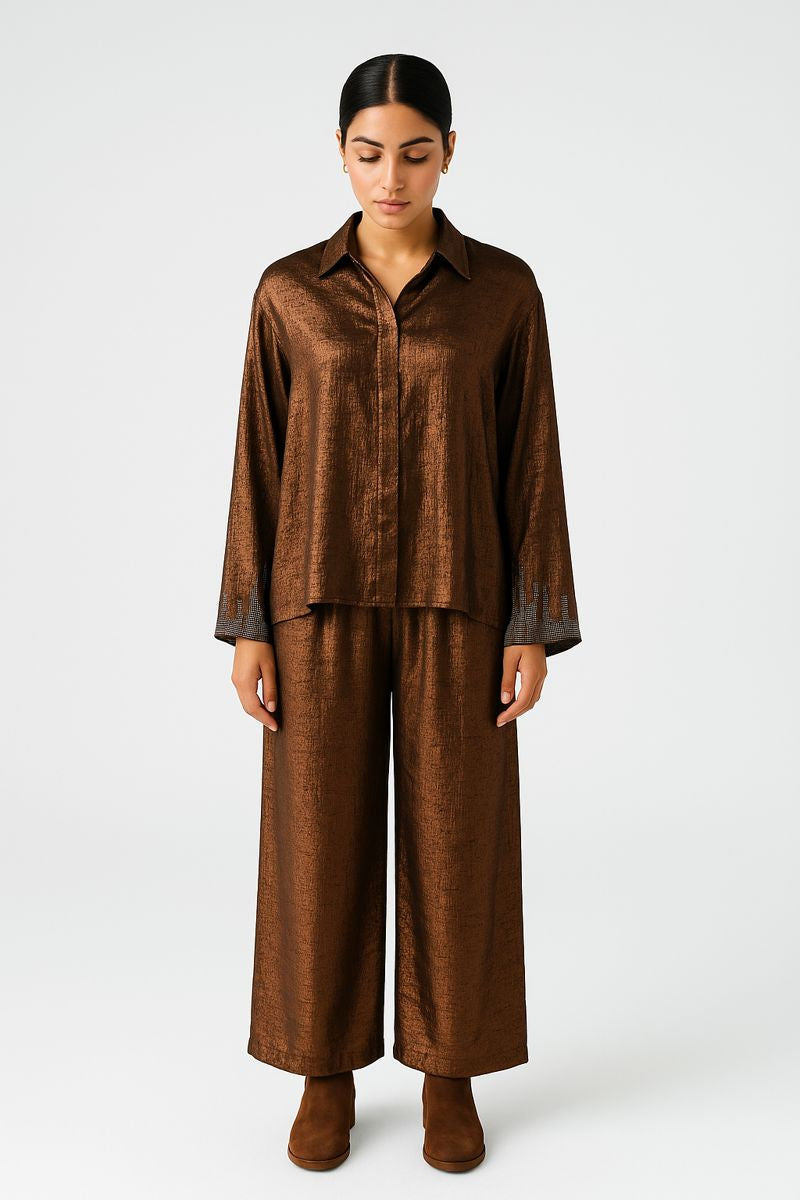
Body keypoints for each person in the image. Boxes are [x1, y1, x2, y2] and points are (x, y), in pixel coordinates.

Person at [213, 52, 582, 1173]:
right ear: (340, 154)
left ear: (449, 153)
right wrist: (249, 623)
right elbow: (258, 461)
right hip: (312, 601)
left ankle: (449, 1073)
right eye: (369, 154)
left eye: (414, 154)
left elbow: (530, 461)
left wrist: (531, 622)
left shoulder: (502, 292)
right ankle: (322, 1072)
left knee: (458, 842)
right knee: (315, 841)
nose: (391, 177)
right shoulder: (288, 292)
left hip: (461, 601)